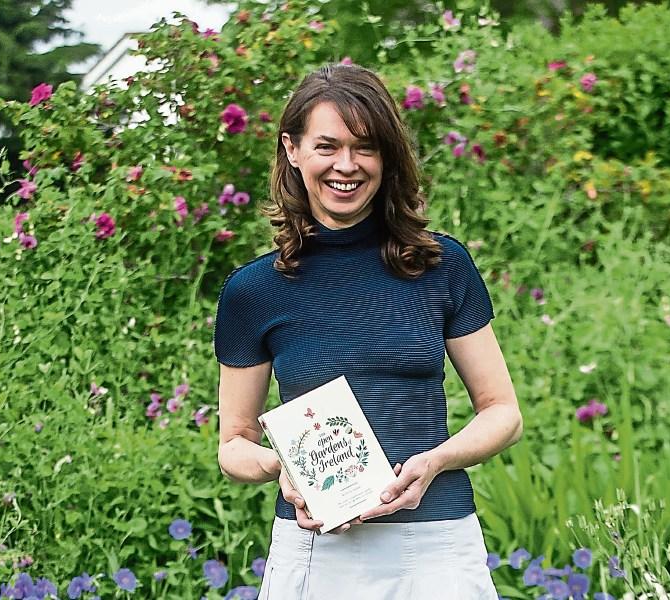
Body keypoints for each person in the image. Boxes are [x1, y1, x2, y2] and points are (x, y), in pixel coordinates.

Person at [215, 63, 522, 600]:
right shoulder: (253, 291)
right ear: (292, 149)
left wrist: (436, 461)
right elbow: (233, 443)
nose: (346, 166)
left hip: (436, 546)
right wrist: (281, 469)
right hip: (317, 552)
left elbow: (503, 413)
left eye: (365, 147)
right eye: (327, 146)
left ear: (387, 156)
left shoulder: (441, 266)